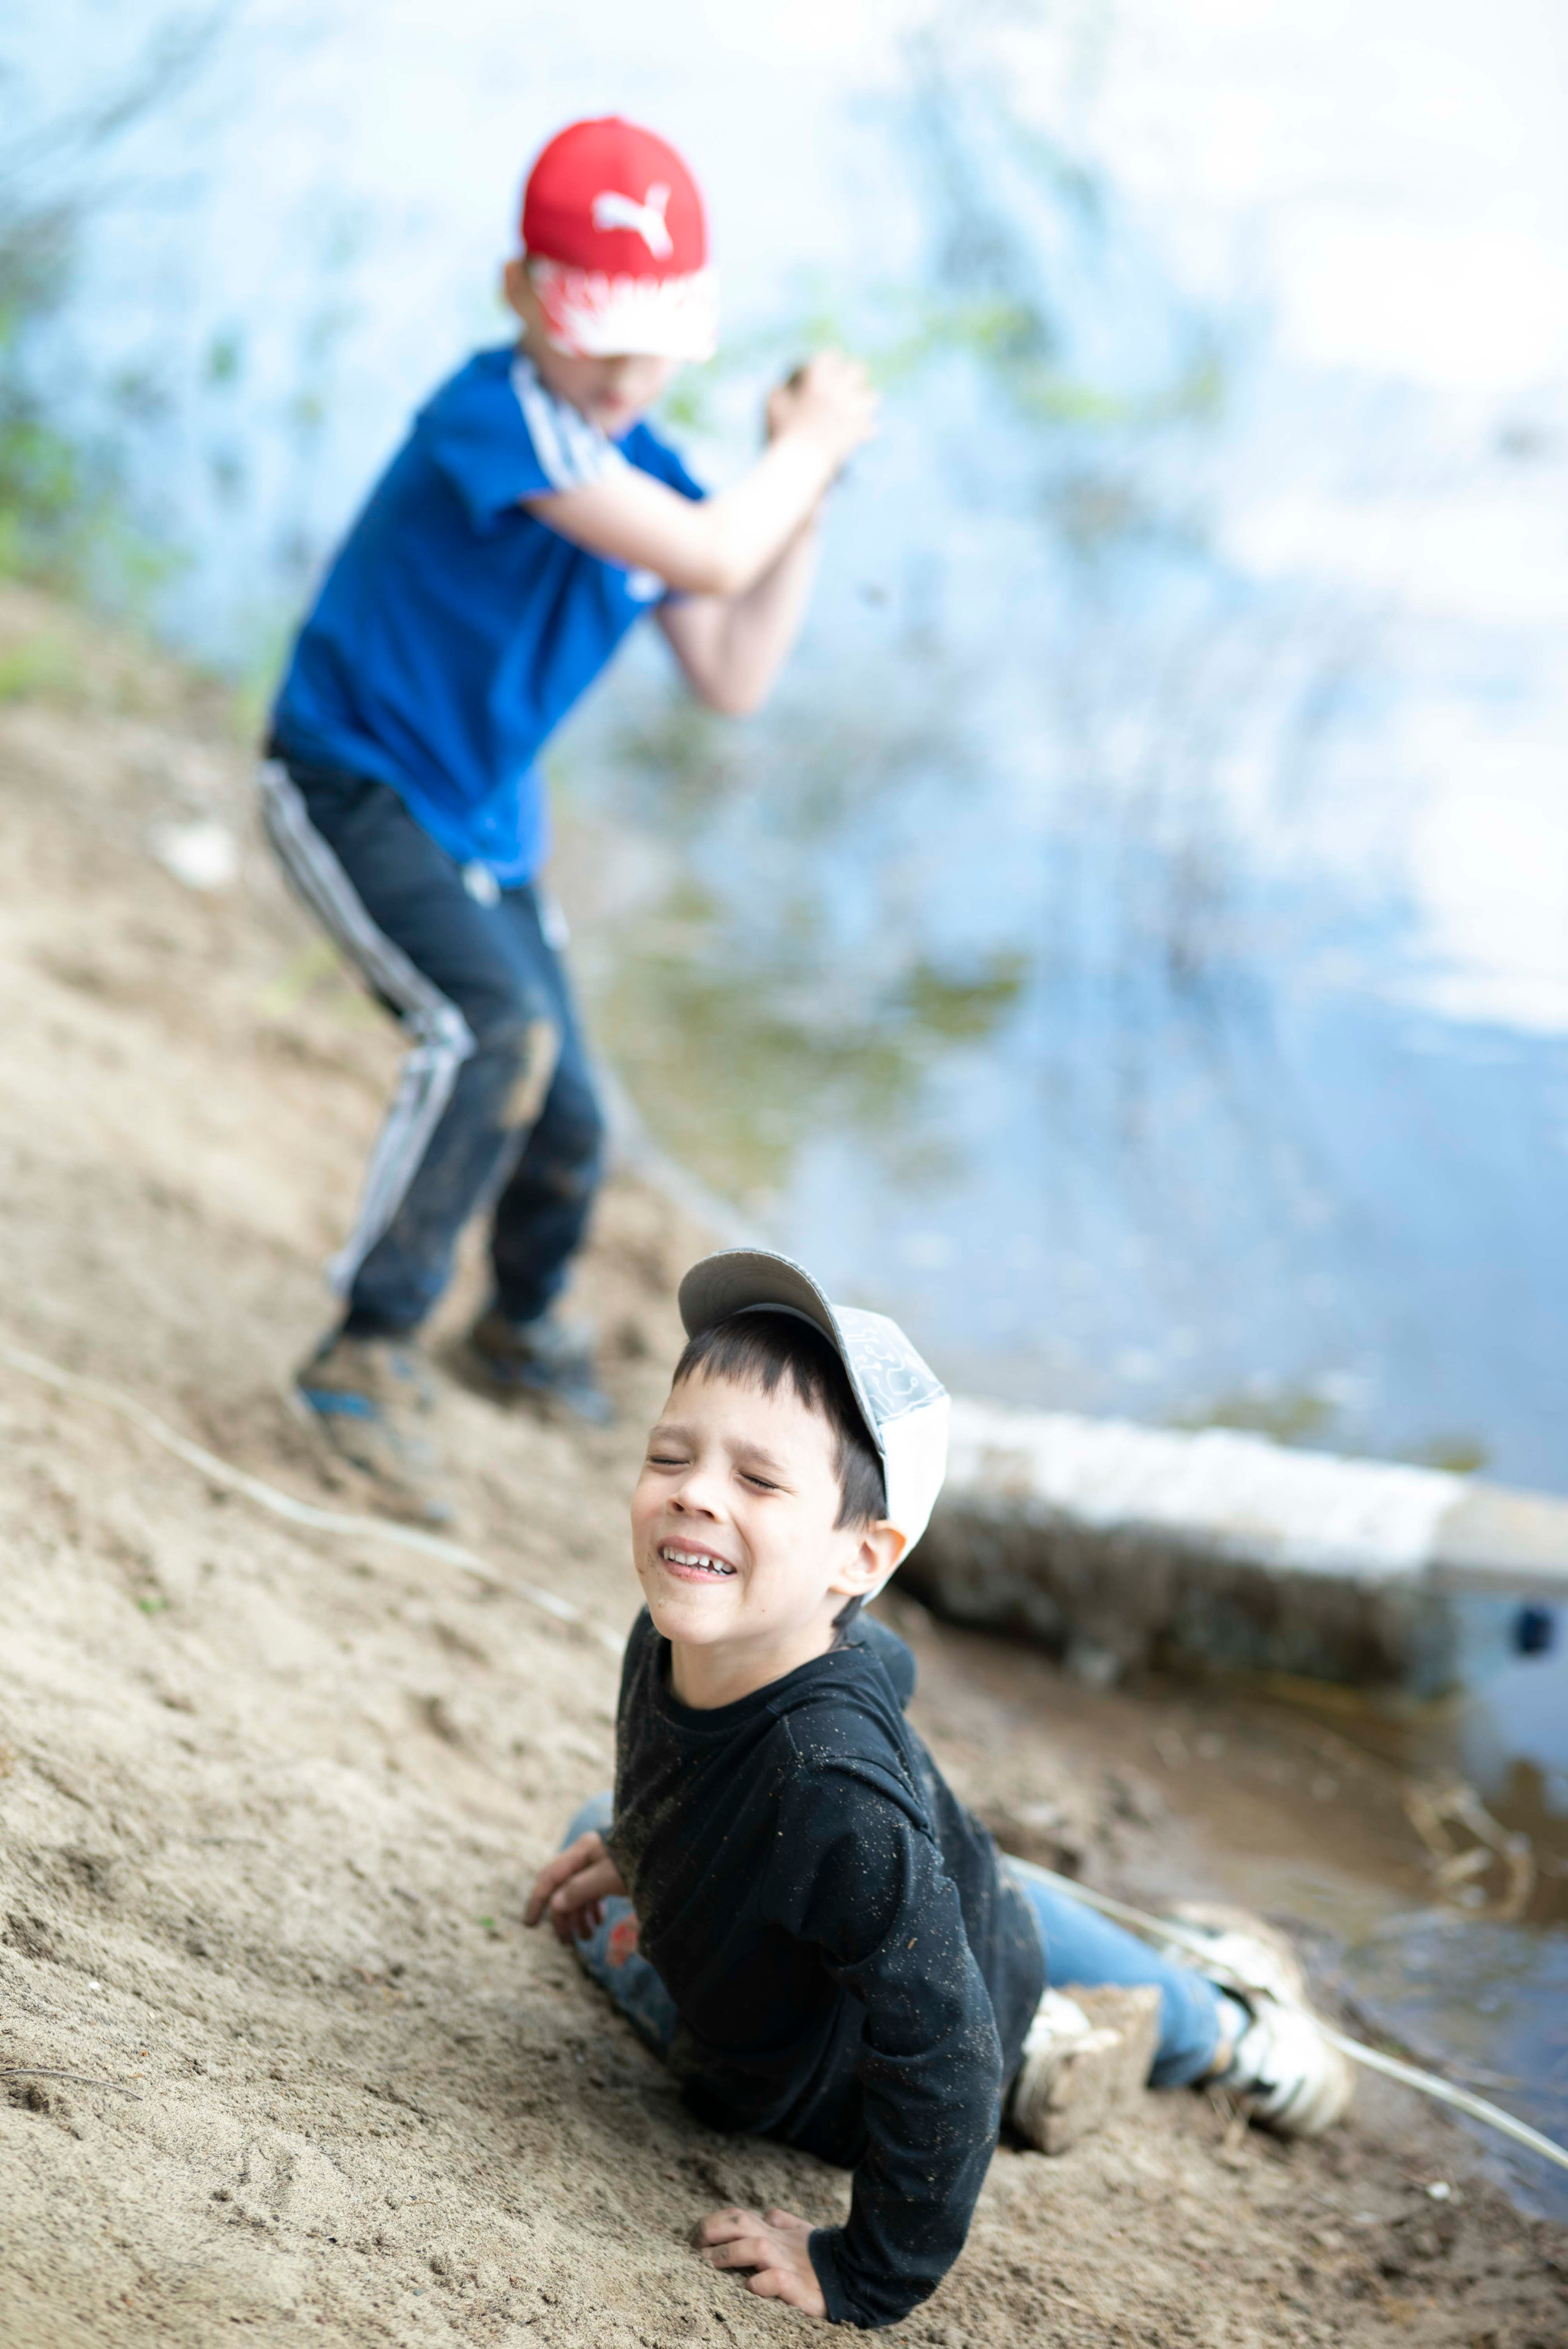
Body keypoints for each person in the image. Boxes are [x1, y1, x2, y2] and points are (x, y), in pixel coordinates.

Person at [525, 1248, 1353, 2330]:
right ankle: (1061, 2036)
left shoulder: (833, 1791)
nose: (693, 1492)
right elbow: (861, 1680)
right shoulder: (675, 1631)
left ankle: (1233, 2035)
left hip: (843, 2075)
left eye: (758, 1480)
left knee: (982, 1937)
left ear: (861, 1558)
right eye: (669, 1455)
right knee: (600, 1830)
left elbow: (948, 2053)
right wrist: (646, 1844)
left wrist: (861, 2272)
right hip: (885, 1941)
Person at [262, 117, 877, 1518]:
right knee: (490, 1032)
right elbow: (714, 549)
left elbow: (732, 672)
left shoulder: (642, 468)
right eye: (596, 336)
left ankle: (516, 1324)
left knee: (575, 1114)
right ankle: (363, 1348)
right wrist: (796, 457)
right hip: (352, 777)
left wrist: (807, 490)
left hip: (483, 821)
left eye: (653, 345)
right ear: (520, 295)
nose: (623, 375)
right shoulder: (500, 418)